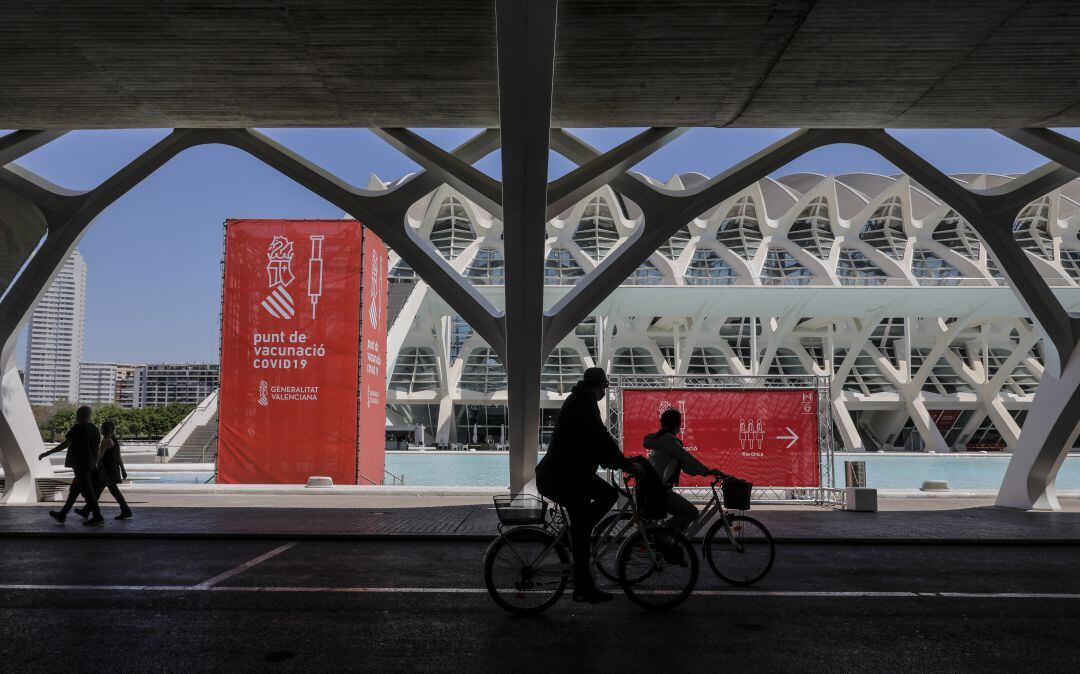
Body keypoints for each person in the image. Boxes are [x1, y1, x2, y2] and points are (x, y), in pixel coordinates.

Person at [535, 367, 638, 604]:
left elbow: (593, 440)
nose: (604, 391)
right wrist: (622, 462)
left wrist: (617, 461)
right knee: (587, 526)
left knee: (599, 507)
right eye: (604, 387)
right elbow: (600, 436)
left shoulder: (580, 399)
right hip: (564, 478)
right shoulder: (584, 401)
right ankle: (583, 587)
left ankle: (583, 580)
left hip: (568, 475)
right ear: (600, 386)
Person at [643, 409, 723, 532]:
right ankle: (660, 533)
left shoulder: (661, 439)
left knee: (685, 516)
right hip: (658, 491)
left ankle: (672, 540)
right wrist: (707, 471)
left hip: (653, 488)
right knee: (691, 513)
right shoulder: (669, 440)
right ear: (677, 425)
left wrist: (703, 472)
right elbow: (688, 459)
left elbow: (685, 467)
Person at [38, 405, 105, 526]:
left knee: (88, 493)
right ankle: (62, 514)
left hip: (80, 466)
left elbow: (65, 444)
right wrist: (93, 463)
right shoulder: (95, 430)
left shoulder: (78, 428)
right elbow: (97, 450)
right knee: (74, 491)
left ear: (81, 415)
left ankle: (98, 517)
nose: (76, 416)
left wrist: (47, 453)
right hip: (89, 465)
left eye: (77, 414)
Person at [75, 420, 132, 521]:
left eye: (102, 427)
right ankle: (86, 510)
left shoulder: (106, 441)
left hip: (106, 471)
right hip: (113, 470)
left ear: (104, 429)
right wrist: (123, 469)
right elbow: (118, 457)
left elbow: (99, 457)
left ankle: (87, 511)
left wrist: (92, 461)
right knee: (109, 491)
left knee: (98, 490)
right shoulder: (114, 440)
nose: (100, 429)